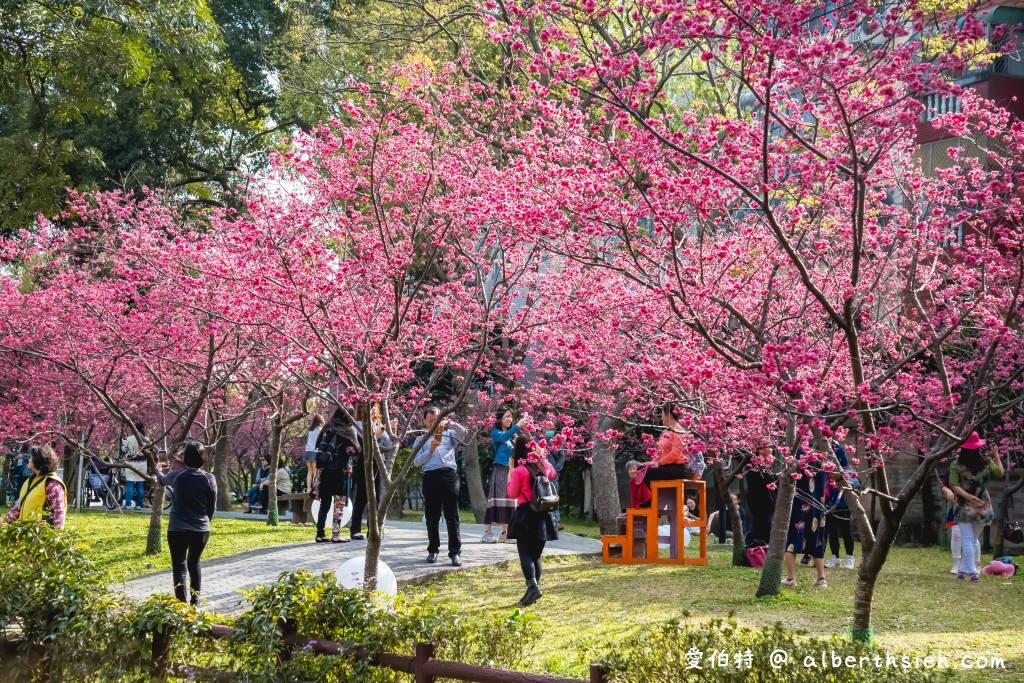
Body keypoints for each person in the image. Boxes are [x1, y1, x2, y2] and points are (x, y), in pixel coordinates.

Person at [156, 441, 216, 605]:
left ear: (185, 459)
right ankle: (195, 603)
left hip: (177, 529)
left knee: (179, 566)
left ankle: (181, 605)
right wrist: (204, 523)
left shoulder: (176, 475)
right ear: (203, 458)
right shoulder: (209, 478)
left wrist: (157, 469)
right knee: (194, 563)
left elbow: (161, 480)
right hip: (201, 529)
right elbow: (212, 507)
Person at [507, 438, 558, 607]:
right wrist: (541, 457)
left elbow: (512, 494)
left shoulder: (519, 471)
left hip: (525, 514)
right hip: (543, 515)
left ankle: (532, 586)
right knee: (536, 556)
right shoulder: (545, 468)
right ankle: (533, 590)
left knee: (525, 553)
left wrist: (510, 473)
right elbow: (553, 473)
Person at [412, 406, 466, 566]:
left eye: (436, 419)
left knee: (452, 515)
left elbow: (464, 433)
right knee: (432, 516)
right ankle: (433, 550)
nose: (434, 423)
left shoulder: (449, 434)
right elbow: (416, 462)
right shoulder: (420, 439)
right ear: (424, 422)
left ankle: (455, 552)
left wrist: (450, 422)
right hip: (431, 476)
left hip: (449, 475)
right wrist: (430, 449)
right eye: (430, 420)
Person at [949, 432, 1005, 582]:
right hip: (983, 504)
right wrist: (996, 455)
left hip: (963, 505)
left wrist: (968, 497)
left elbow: (953, 485)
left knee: (967, 539)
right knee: (973, 539)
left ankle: (971, 571)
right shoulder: (987, 462)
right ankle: (966, 570)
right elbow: (1000, 473)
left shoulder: (956, 464)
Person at [783, 445, 830, 589]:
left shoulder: (798, 452)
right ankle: (821, 579)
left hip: (800, 502)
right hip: (818, 504)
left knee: (792, 538)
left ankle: (791, 578)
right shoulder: (825, 456)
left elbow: (788, 476)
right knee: (818, 541)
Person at [314, 409, 360, 544]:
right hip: (340, 471)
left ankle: (320, 534)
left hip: (325, 471)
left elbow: (318, 444)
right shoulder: (348, 429)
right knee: (339, 503)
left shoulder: (328, 426)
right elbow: (353, 450)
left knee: (325, 504)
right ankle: (336, 534)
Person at [351, 404, 393, 541]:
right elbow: (366, 440)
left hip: (378, 464)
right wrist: (379, 431)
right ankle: (355, 529)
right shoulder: (358, 424)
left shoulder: (378, 424)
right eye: (371, 406)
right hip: (364, 464)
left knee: (377, 498)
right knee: (362, 496)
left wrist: (391, 430)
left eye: (375, 406)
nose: (374, 409)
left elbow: (387, 444)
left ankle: (373, 530)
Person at [483, 410, 524, 543]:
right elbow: (503, 437)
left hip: (511, 471)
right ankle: (487, 532)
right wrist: (517, 425)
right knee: (497, 499)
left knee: (510, 501)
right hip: (500, 469)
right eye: (507, 416)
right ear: (500, 419)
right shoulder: (496, 433)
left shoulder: (512, 436)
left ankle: (506, 533)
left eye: (511, 417)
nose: (510, 419)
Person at [2, 444, 67, 529]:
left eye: (31, 458)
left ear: (39, 463)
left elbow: (59, 511)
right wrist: (3, 521)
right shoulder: (31, 480)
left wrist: (57, 536)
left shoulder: (52, 484)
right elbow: (19, 508)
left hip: (42, 535)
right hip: (28, 534)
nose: (29, 459)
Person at [641, 402, 695, 494]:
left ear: (668, 415)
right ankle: (648, 501)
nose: (661, 418)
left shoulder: (679, 431)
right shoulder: (666, 431)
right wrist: (653, 462)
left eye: (662, 415)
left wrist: (659, 463)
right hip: (667, 466)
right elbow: (659, 451)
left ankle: (651, 502)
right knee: (641, 469)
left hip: (679, 468)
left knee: (646, 473)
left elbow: (675, 454)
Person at [824, 440, 856, 570]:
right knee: (832, 532)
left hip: (843, 504)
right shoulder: (825, 471)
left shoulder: (846, 470)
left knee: (846, 531)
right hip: (829, 504)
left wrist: (844, 485)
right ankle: (835, 557)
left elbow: (856, 484)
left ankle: (850, 557)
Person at [744, 441, 777, 545]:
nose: (772, 449)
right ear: (760, 450)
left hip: (768, 503)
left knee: (759, 527)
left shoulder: (767, 466)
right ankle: (756, 547)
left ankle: (752, 546)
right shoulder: (753, 466)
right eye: (769, 447)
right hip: (760, 502)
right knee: (764, 527)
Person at [121, 421, 148, 510]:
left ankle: (128, 504)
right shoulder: (145, 439)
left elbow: (124, 449)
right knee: (140, 485)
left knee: (130, 485)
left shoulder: (130, 438)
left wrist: (122, 444)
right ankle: (139, 505)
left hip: (131, 463)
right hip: (142, 464)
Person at [546, 431, 567, 530]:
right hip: (538, 473)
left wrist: (556, 468)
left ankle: (555, 520)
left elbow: (562, 456)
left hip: (552, 473)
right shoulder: (535, 439)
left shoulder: (555, 441)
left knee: (553, 496)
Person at [304, 415, 324, 498]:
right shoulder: (319, 430)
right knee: (316, 471)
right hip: (315, 452)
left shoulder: (310, 430)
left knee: (309, 471)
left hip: (307, 451)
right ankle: (314, 489)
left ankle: (308, 488)